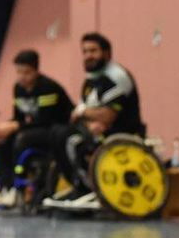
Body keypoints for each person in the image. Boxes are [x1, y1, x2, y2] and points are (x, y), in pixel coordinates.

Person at [43, 32, 144, 210]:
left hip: (121, 133)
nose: (88, 55)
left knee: (70, 140)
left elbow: (107, 116)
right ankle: (76, 185)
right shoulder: (91, 80)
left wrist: (85, 113)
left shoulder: (117, 77)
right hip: (95, 130)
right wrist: (88, 118)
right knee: (55, 132)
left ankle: (88, 188)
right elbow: (81, 116)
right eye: (85, 51)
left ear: (106, 53)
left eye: (93, 51)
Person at [0, 49, 73, 209]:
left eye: (27, 73)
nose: (22, 77)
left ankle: (18, 187)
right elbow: (19, 117)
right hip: (37, 127)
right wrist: (6, 127)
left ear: (36, 71)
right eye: (19, 72)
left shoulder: (47, 87)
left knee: (22, 138)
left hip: (57, 130)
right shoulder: (18, 89)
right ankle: (5, 186)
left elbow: (45, 120)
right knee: (4, 136)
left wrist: (16, 126)